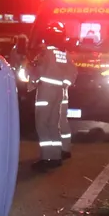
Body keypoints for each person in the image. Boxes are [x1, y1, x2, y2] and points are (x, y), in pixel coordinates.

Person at [29, 22, 78, 171]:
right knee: (53, 124)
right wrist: (64, 84)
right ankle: (56, 157)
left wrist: (32, 78)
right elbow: (73, 71)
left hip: (46, 92)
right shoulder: (63, 54)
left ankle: (46, 158)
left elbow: (36, 70)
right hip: (59, 92)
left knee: (42, 124)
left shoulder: (45, 53)